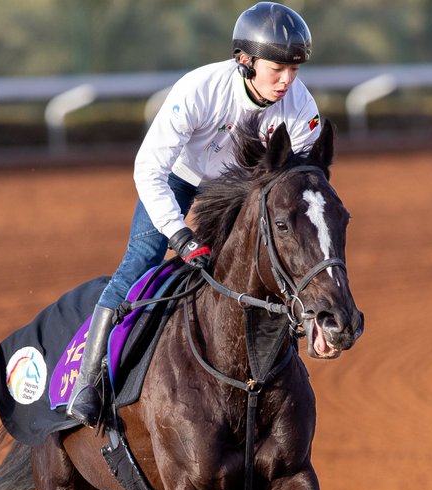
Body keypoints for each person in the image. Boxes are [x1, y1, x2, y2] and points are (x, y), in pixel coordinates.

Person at [67, 1, 324, 428]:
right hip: (180, 178)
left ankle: (283, 368)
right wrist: (179, 235)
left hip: (245, 189)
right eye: (277, 68)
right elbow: (149, 169)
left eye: (294, 69)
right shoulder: (199, 88)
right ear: (245, 60)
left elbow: (298, 192)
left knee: (270, 262)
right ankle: (89, 381)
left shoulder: (301, 109)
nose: (287, 80)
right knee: (144, 257)